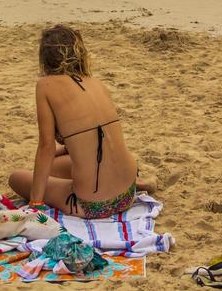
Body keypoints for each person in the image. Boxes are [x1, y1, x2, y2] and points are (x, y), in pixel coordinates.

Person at [9, 25, 139, 219]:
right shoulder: (95, 83)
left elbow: (46, 147)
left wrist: (35, 203)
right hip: (129, 191)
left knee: (17, 178)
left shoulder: (45, 85)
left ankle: (41, 196)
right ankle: (143, 182)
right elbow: (87, 143)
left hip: (94, 205)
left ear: (45, 58)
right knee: (51, 168)